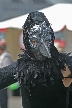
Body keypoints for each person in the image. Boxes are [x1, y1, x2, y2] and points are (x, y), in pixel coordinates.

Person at [0, 11, 72, 108]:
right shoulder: (22, 67)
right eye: (35, 41)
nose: (43, 48)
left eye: (47, 40)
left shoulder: (63, 64)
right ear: (27, 41)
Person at [0, 40, 13, 108]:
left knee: (3, 100)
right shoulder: (2, 56)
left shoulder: (6, 57)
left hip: (3, 81)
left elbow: (5, 69)